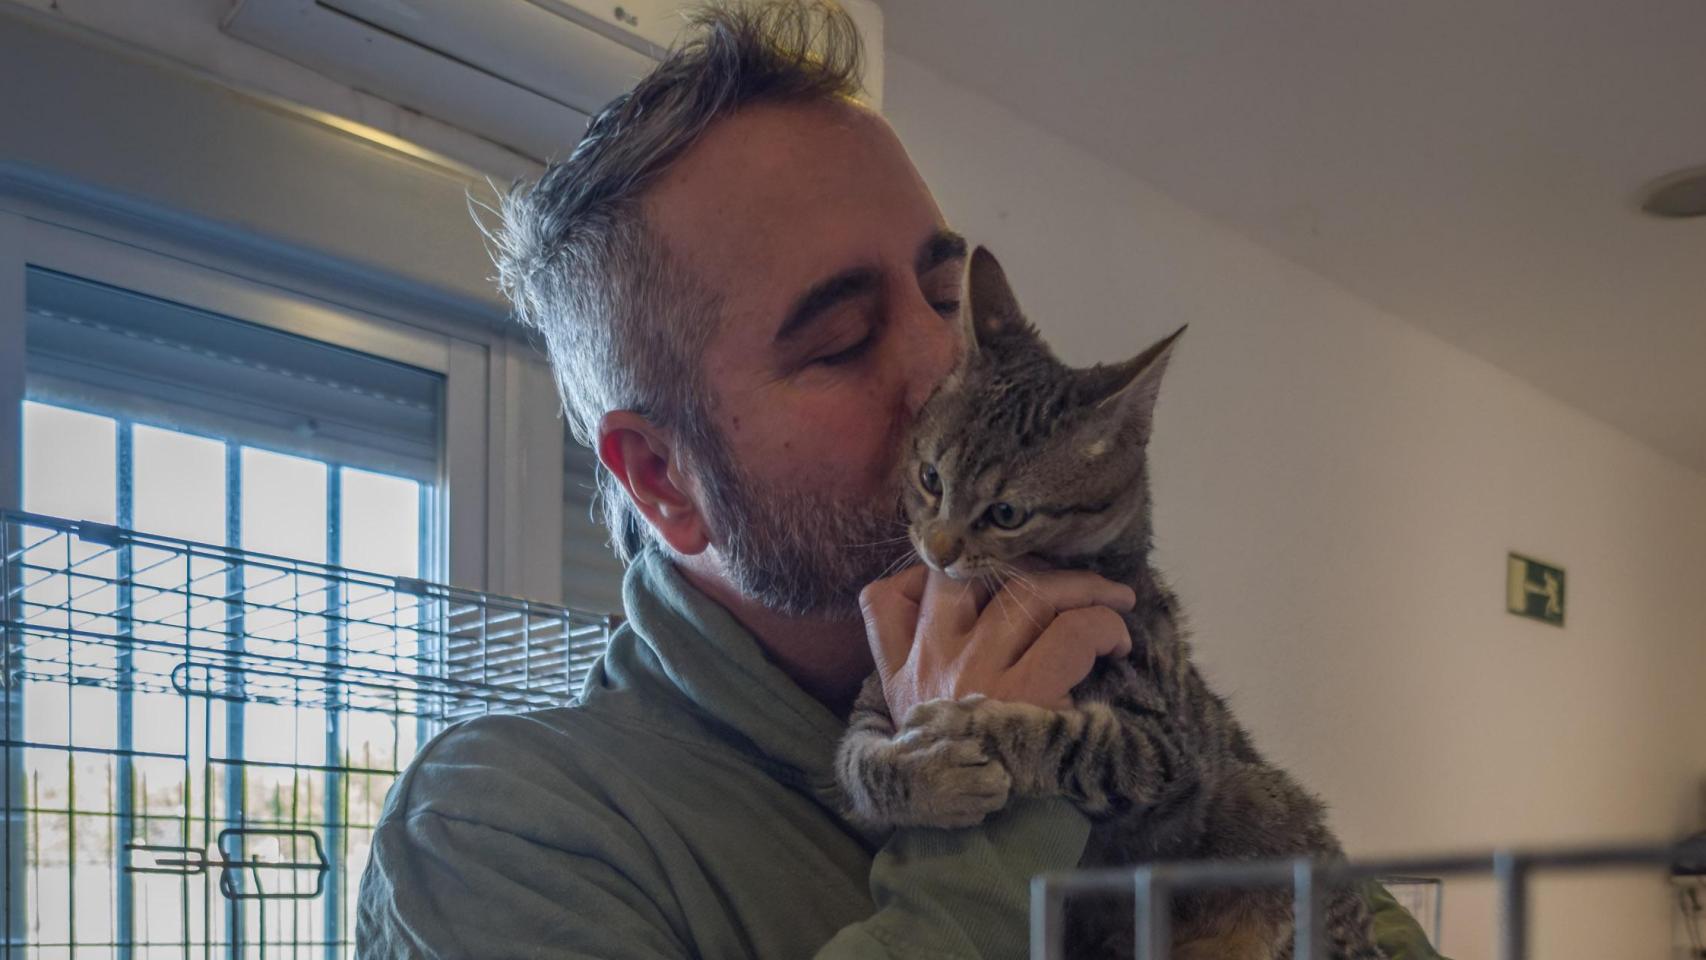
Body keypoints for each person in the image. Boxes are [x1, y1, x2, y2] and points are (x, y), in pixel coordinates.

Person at [355, 3, 1445, 957]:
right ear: (661, 476)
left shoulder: (1102, 661)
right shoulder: (497, 834)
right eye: (838, 340)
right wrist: (982, 831)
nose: (941, 376)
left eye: (940, 299)